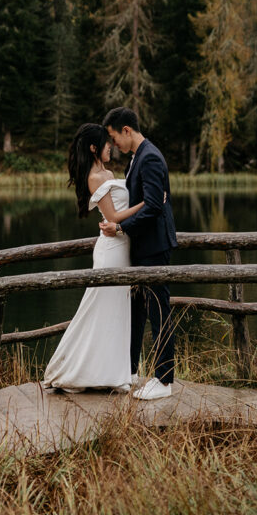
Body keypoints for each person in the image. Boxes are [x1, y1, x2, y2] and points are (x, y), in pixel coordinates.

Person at [42, 123, 146, 392]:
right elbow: (112, 217)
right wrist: (148, 203)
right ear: (93, 148)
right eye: (105, 143)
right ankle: (82, 371)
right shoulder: (95, 177)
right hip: (112, 251)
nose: (110, 146)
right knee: (101, 307)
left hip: (122, 247)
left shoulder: (108, 173)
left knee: (116, 310)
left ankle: (113, 371)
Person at [100, 106, 177, 401]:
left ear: (127, 131)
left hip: (155, 246)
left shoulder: (151, 158)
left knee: (159, 311)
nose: (114, 144)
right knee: (137, 310)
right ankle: (130, 372)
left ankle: (164, 379)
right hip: (142, 246)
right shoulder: (136, 158)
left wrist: (120, 229)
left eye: (114, 137)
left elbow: (154, 206)